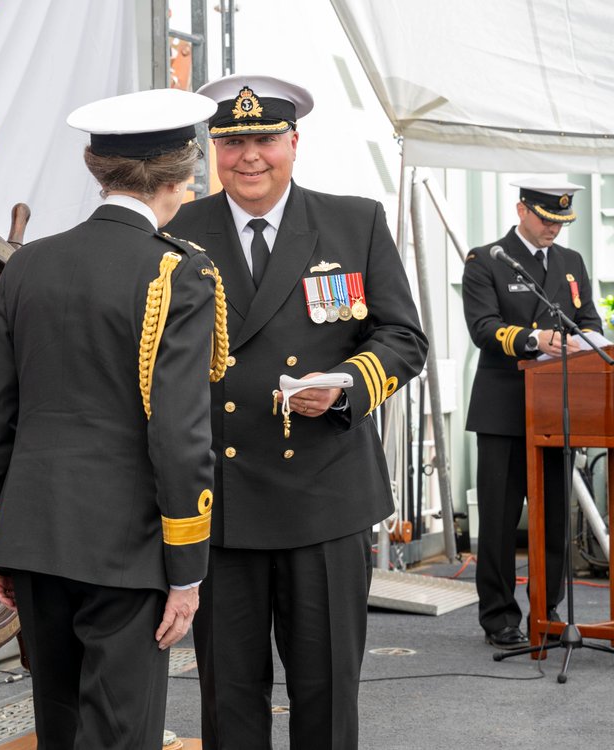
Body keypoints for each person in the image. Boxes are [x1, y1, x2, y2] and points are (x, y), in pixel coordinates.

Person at [164, 74, 428, 749]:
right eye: (231, 142)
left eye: (264, 140)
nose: (249, 156)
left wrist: (344, 383)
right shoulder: (177, 235)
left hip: (325, 493)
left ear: (294, 142)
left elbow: (403, 338)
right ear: (210, 150)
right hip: (222, 502)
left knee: (327, 692)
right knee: (229, 697)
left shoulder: (352, 220)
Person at [0, 87, 228, 749]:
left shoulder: (30, 264)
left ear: (95, 165)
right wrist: (187, 568)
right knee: (121, 734)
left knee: (61, 726)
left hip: (35, 537)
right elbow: (179, 432)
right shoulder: (179, 273)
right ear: (183, 173)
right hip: (127, 546)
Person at [462, 178, 605, 650]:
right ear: (521, 209)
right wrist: (534, 340)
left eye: (561, 222)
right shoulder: (488, 260)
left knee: (554, 519)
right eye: (546, 220)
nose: (553, 230)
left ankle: (548, 610)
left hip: (556, 410)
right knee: (502, 522)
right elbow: (484, 328)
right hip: (504, 408)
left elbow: (589, 322)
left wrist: (584, 340)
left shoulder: (570, 263)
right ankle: (499, 616)